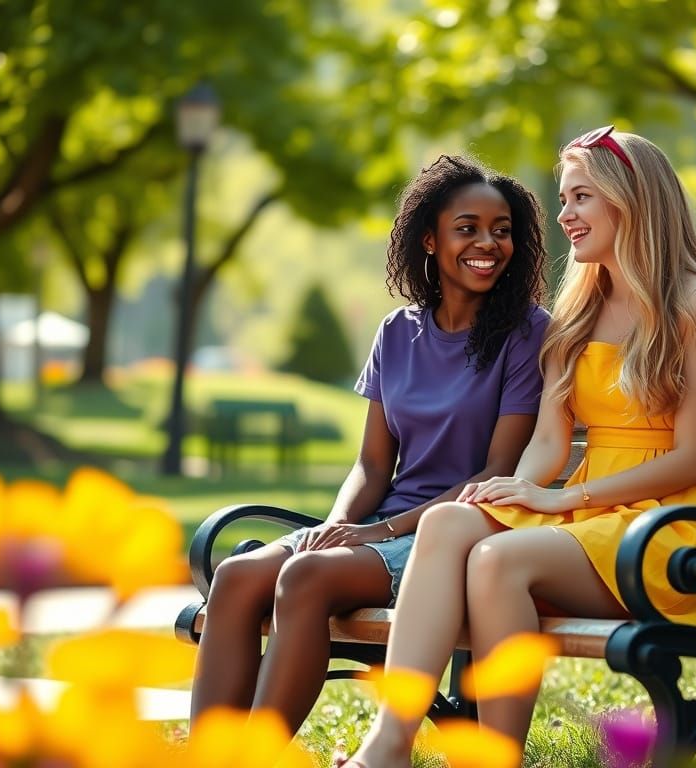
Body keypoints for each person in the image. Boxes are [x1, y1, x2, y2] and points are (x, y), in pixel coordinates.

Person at [341, 127, 696, 767]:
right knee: (450, 520)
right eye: (565, 199)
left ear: (631, 201)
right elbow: (547, 439)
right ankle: (389, 744)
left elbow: (690, 459)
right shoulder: (579, 308)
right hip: (590, 513)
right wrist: (512, 490)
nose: (563, 216)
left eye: (581, 198)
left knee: (497, 562)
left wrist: (561, 494)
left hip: (666, 524)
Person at [188, 155, 550, 734]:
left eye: (501, 230)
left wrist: (377, 533)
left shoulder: (527, 333)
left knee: (304, 579)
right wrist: (331, 527)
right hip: (380, 525)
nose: (488, 242)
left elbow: (498, 469)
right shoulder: (396, 332)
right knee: (235, 578)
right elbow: (372, 463)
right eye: (468, 228)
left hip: (453, 534)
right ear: (429, 239)